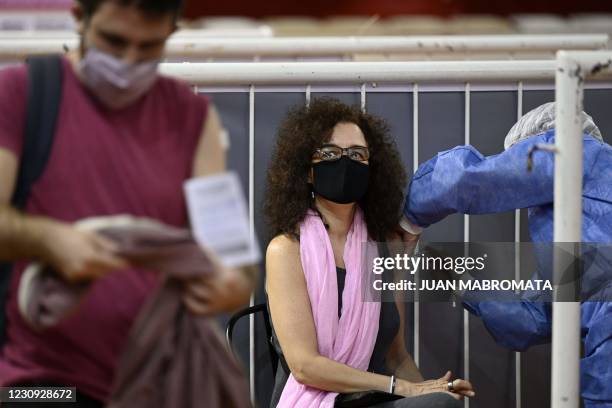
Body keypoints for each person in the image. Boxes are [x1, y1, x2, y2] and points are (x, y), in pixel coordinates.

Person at [0, 0, 255, 406]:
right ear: (80, 19)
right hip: (43, 382)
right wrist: (49, 240)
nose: (128, 60)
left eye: (148, 47)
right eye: (113, 41)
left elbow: (232, 255)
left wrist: (230, 284)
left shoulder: (192, 116)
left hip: (155, 381)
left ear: (171, 33)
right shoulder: (22, 93)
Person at [264, 97, 474, 408]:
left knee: (446, 405)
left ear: (372, 168)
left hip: (376, 399)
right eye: (330, 153)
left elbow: (396, 355)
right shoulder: (285, 250)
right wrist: (403, 389)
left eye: (357, 154)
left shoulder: (383, 248)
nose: (345, 162)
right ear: (307, 170)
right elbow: (305, 366)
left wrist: (431, 390)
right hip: (318, 401)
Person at [401, 102, 612, 407]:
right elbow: (535, 319)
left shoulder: (575, 153)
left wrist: (408, 217)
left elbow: (471, 179)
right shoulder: (572, 237)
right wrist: (460, 284)